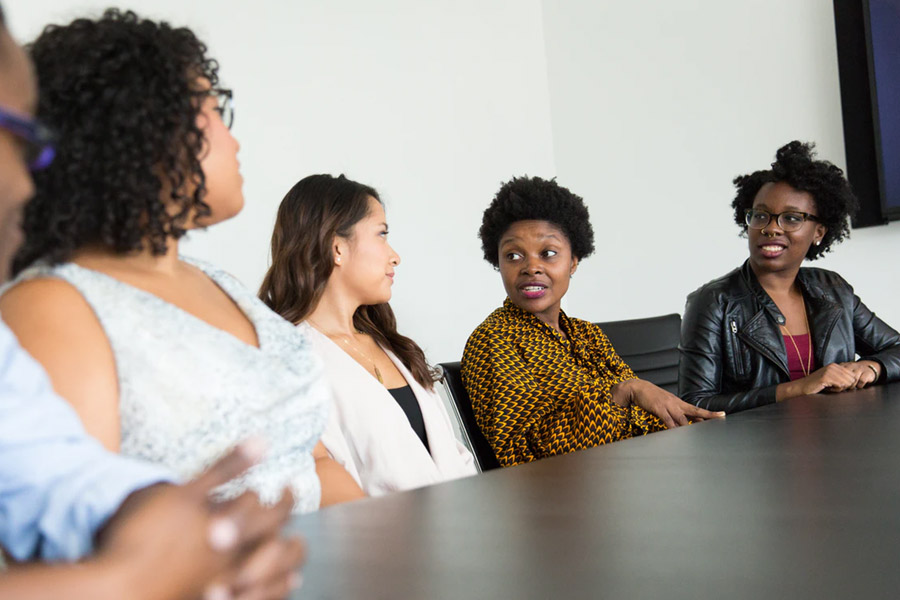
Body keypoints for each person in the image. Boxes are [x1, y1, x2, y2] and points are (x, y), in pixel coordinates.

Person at [0, 10, 363, 509]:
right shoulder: (52, 306)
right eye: (214, 109)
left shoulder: (221, 284)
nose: (233, 138)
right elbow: (82, 535)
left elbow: (313, 461)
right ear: (142, 125)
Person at [461, 176, 723, 467]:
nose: (531, 267)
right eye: (513, 255)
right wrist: (622, 393)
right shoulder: (493, 341)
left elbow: (641, 411)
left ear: (573, 262)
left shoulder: (587, 334)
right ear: (498, 264)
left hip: (632, 471)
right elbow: (522, 454)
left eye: (548, 254)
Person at [259, 174, 476, 495]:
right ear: (337, 248)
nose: (394, 256)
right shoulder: (288, 360)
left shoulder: (393, 347)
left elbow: (454, 456)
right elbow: (313, 482)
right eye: (381, 234)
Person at [679, 141, 900, 413]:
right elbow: (694, 405)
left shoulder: (833, 290)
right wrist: (797, 389)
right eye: (761, 215)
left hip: (839, 438)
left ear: (818, 232)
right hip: (757, 450)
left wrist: (873, 366)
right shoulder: (714, 302)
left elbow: (896, 349)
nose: (771, 228)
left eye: (792, 218)